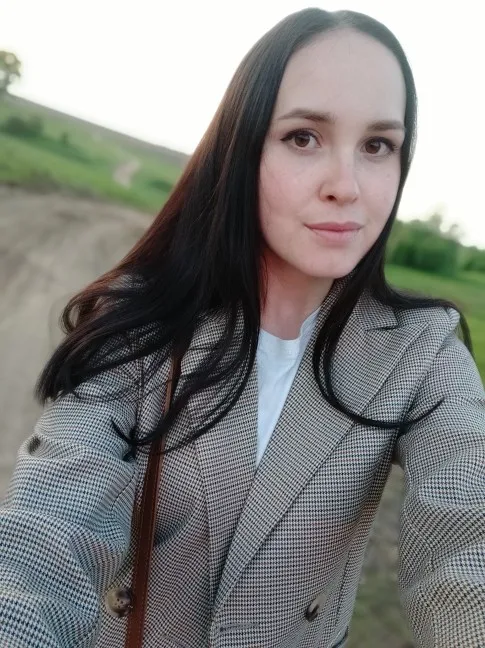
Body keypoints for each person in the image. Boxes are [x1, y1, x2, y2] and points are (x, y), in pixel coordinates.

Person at [1, 7, 484, 648]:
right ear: (243, 145)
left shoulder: (421, 354)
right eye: (304, 137)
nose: (347, 186)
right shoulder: (141, 321)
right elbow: (44, 536)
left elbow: (467, 536)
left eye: (377, 146)